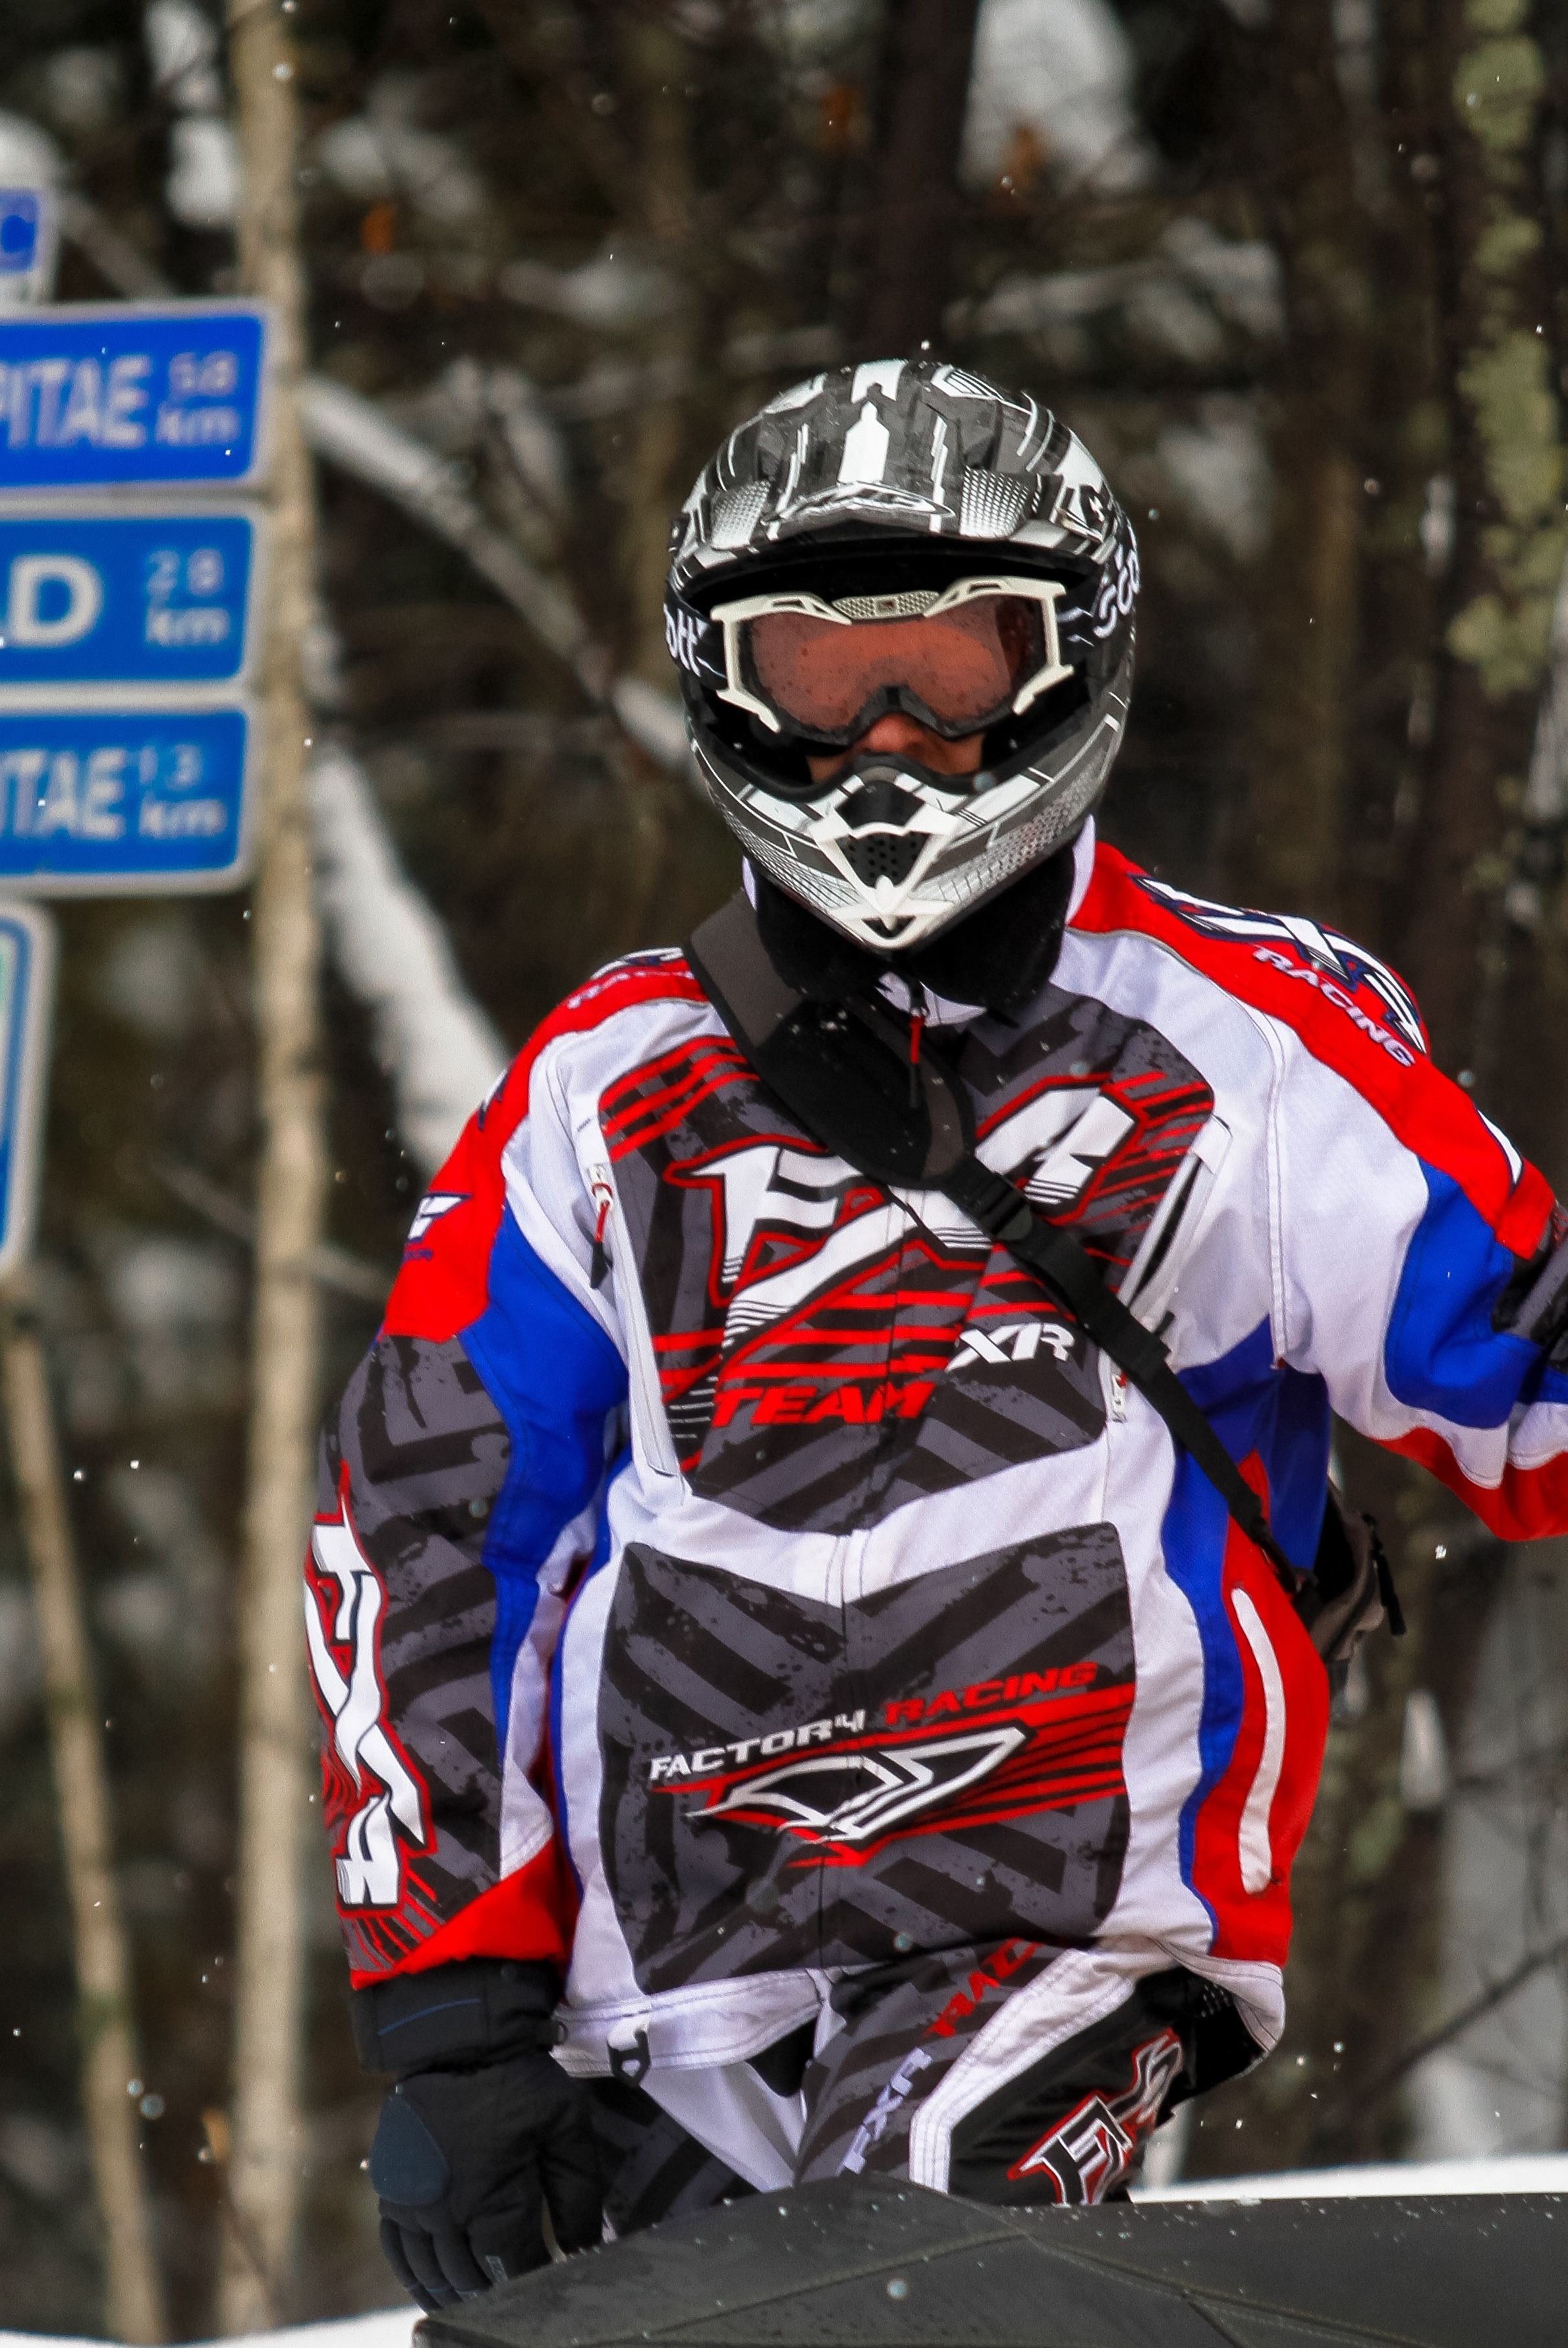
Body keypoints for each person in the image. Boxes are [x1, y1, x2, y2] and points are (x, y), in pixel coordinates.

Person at [304, 358, 1568, 2313]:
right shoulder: (600, 1081)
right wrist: (451, 2008)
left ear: (1069, 667)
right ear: (728, 685)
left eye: (952, 672)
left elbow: (1525, 1377)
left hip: (1058, 1908)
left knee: (899, 2291)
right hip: (662, 1978)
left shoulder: (1251, 1042)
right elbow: (427, 1517)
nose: (886, 736)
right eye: (823, 674)